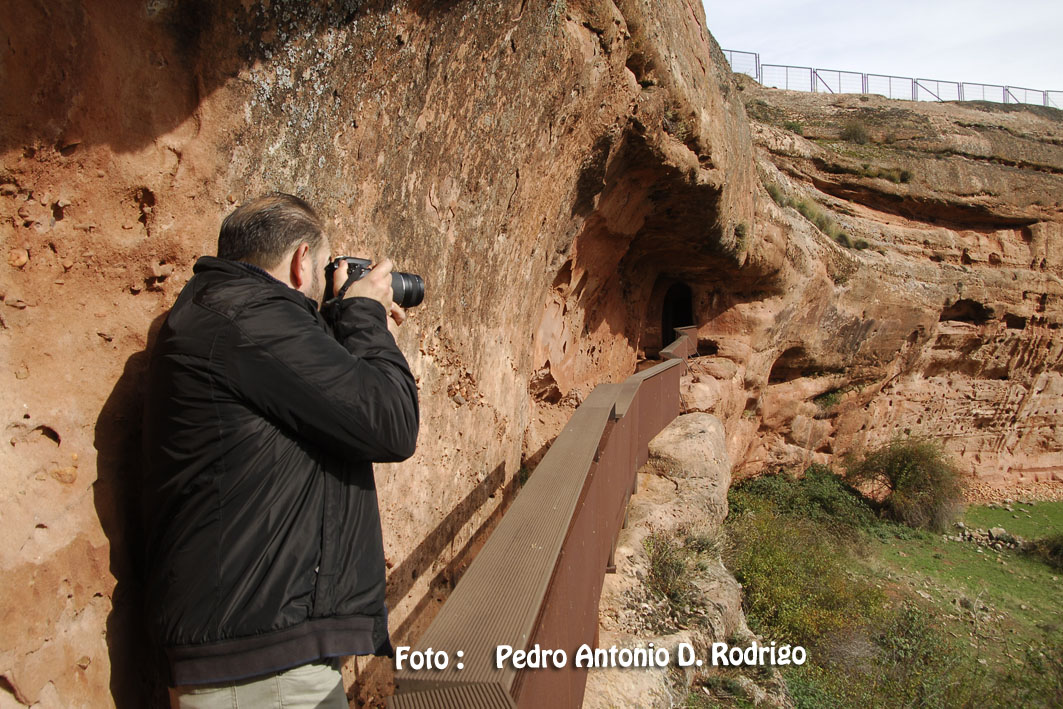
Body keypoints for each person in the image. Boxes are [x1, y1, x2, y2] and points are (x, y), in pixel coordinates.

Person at [141, 193, 419, 708]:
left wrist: (340, 319)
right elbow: (392, 422)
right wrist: (362, 314)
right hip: (261, 668)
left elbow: (316, 401)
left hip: (259, 651)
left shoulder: (228, 314)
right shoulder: (246, 318)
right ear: (299, 261)